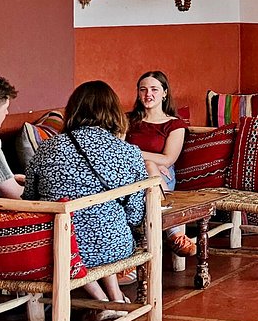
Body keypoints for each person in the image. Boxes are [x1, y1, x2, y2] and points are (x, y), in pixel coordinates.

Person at [23, 81, 150, 308]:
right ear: (114, 112)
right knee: (102, 223)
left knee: (79, 232)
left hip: (56, 246)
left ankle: (106, 301)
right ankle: (110, 301)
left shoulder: (47, 147)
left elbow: (31, 199)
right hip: (112, 246)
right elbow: (135, 215)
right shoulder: (128, 152)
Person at [126, 71, 196, 258]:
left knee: (151, 167)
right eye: (143, 90)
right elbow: (115, 151)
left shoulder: (175, 125)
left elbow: (168, 159)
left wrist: (134, 154)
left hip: (162, 177)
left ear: (165, 93)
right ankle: (175, 231)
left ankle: (162, 235)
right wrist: (149, 160)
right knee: (150, 165)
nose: (148, 94)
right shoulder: (127, 120)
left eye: (154, 89)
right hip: (130, 176)